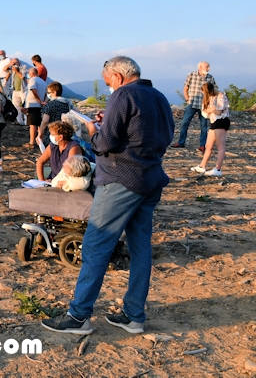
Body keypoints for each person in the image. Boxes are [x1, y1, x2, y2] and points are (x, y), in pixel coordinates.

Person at [42, 56, 173, 336]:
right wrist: (109, 123)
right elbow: (160, 134)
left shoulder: (123, 95)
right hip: (150, 178)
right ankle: (133, 315)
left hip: (120, 179)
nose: (108, 86)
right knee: (140, 249)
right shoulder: (159, 97)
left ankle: (78, 317)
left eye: (107, 81)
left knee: (95, 245)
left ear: (117, 76)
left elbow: (105, 144)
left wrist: (93, 131)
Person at [174, 61, 217, 153]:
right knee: (185, 123)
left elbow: (214, 89)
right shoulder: (191, 75)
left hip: (204, 105)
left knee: (204, 126)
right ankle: (181, 142)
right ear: (200, 67)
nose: (208, 68)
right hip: (192, 103)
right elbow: (185, 88)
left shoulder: (210, 78)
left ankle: (202, 145)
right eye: (207, 66)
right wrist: (187, 99)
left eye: (208, 67)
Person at [191, 82, 230, 177]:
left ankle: (218, 169)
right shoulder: (211, 97)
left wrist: (211, 109)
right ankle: (202, 166)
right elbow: (205, 110)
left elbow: (219, 111)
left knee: (220, 145)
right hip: (214, 121)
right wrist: (212, 109)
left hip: (221, 121)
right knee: (208, 145)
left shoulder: (220, 95)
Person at [38, 82, 72, 146]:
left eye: (49, 93)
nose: (48, 94)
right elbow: (77, 111)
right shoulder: (67, 103)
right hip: (64, 132)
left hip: (52, 132)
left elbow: (45, 121)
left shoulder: (50, 105)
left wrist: (40, 132)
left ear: (54, 92)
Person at [24, 67, 47, 147]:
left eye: (29, 74)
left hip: (33, 104)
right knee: (39, 124)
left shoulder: (32, 80)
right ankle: (40, 141)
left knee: (32, 124)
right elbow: (46, 94)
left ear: (32, 73)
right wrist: (44, 102)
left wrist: (39, 100)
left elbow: (33, 89)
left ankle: (31, 142)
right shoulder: (43, 82)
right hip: (40, 106)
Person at [9, 59, 26, 125]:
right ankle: (19, 121)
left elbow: (22, 76)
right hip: (15, 90)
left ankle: (26, 122)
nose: (14, 64)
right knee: (16, 106)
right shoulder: (12, 69)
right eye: (13, 63)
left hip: (23, 90)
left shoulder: (23, 67)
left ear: (18, 62)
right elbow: (5, 70)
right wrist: (10, 65)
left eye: (15, 63)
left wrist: (16, 71)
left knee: (25, 106)